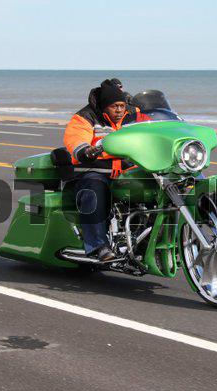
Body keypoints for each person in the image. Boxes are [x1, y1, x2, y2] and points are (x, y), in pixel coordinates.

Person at [64, 79, 150, 261]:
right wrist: (85, 150)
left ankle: (147, 239)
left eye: (121, 106)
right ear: (104, 106)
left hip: (127, 172)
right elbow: (75, 139)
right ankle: (98, 246)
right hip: (95, 171)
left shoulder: (133, 116)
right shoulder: (85, 117)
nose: (119, 110)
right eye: (114, 106)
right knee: (94, 190)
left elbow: (155, 127)